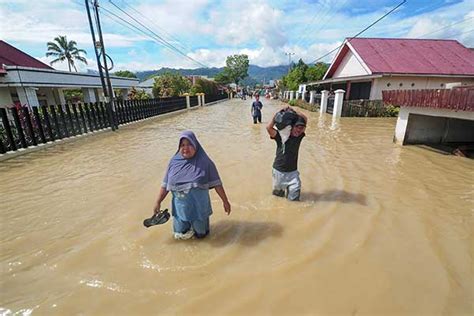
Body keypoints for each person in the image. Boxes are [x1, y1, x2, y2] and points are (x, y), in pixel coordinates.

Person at [152, 131, 231, 240]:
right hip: (180, 211)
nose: (186, 148)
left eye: (189, 144)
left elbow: (217, 184)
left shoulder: (205, 163)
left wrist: (225, 201)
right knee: (180, 237)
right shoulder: (173, 163)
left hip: (199, 210)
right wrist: (158, 202)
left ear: (195, 145)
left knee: (202, 238)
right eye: (182, 145)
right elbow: (165, 185)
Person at [266, 107, 308, 201]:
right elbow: (268, 128)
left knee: (294, 199)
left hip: (293, 173)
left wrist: (294, 111)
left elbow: (305, 119)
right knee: (277, 199)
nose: (299, 130)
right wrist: (277, 114)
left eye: (302, 128)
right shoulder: (280, 136)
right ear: (291, 127)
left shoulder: (299, 137)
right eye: (297, 127)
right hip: (279, 172)